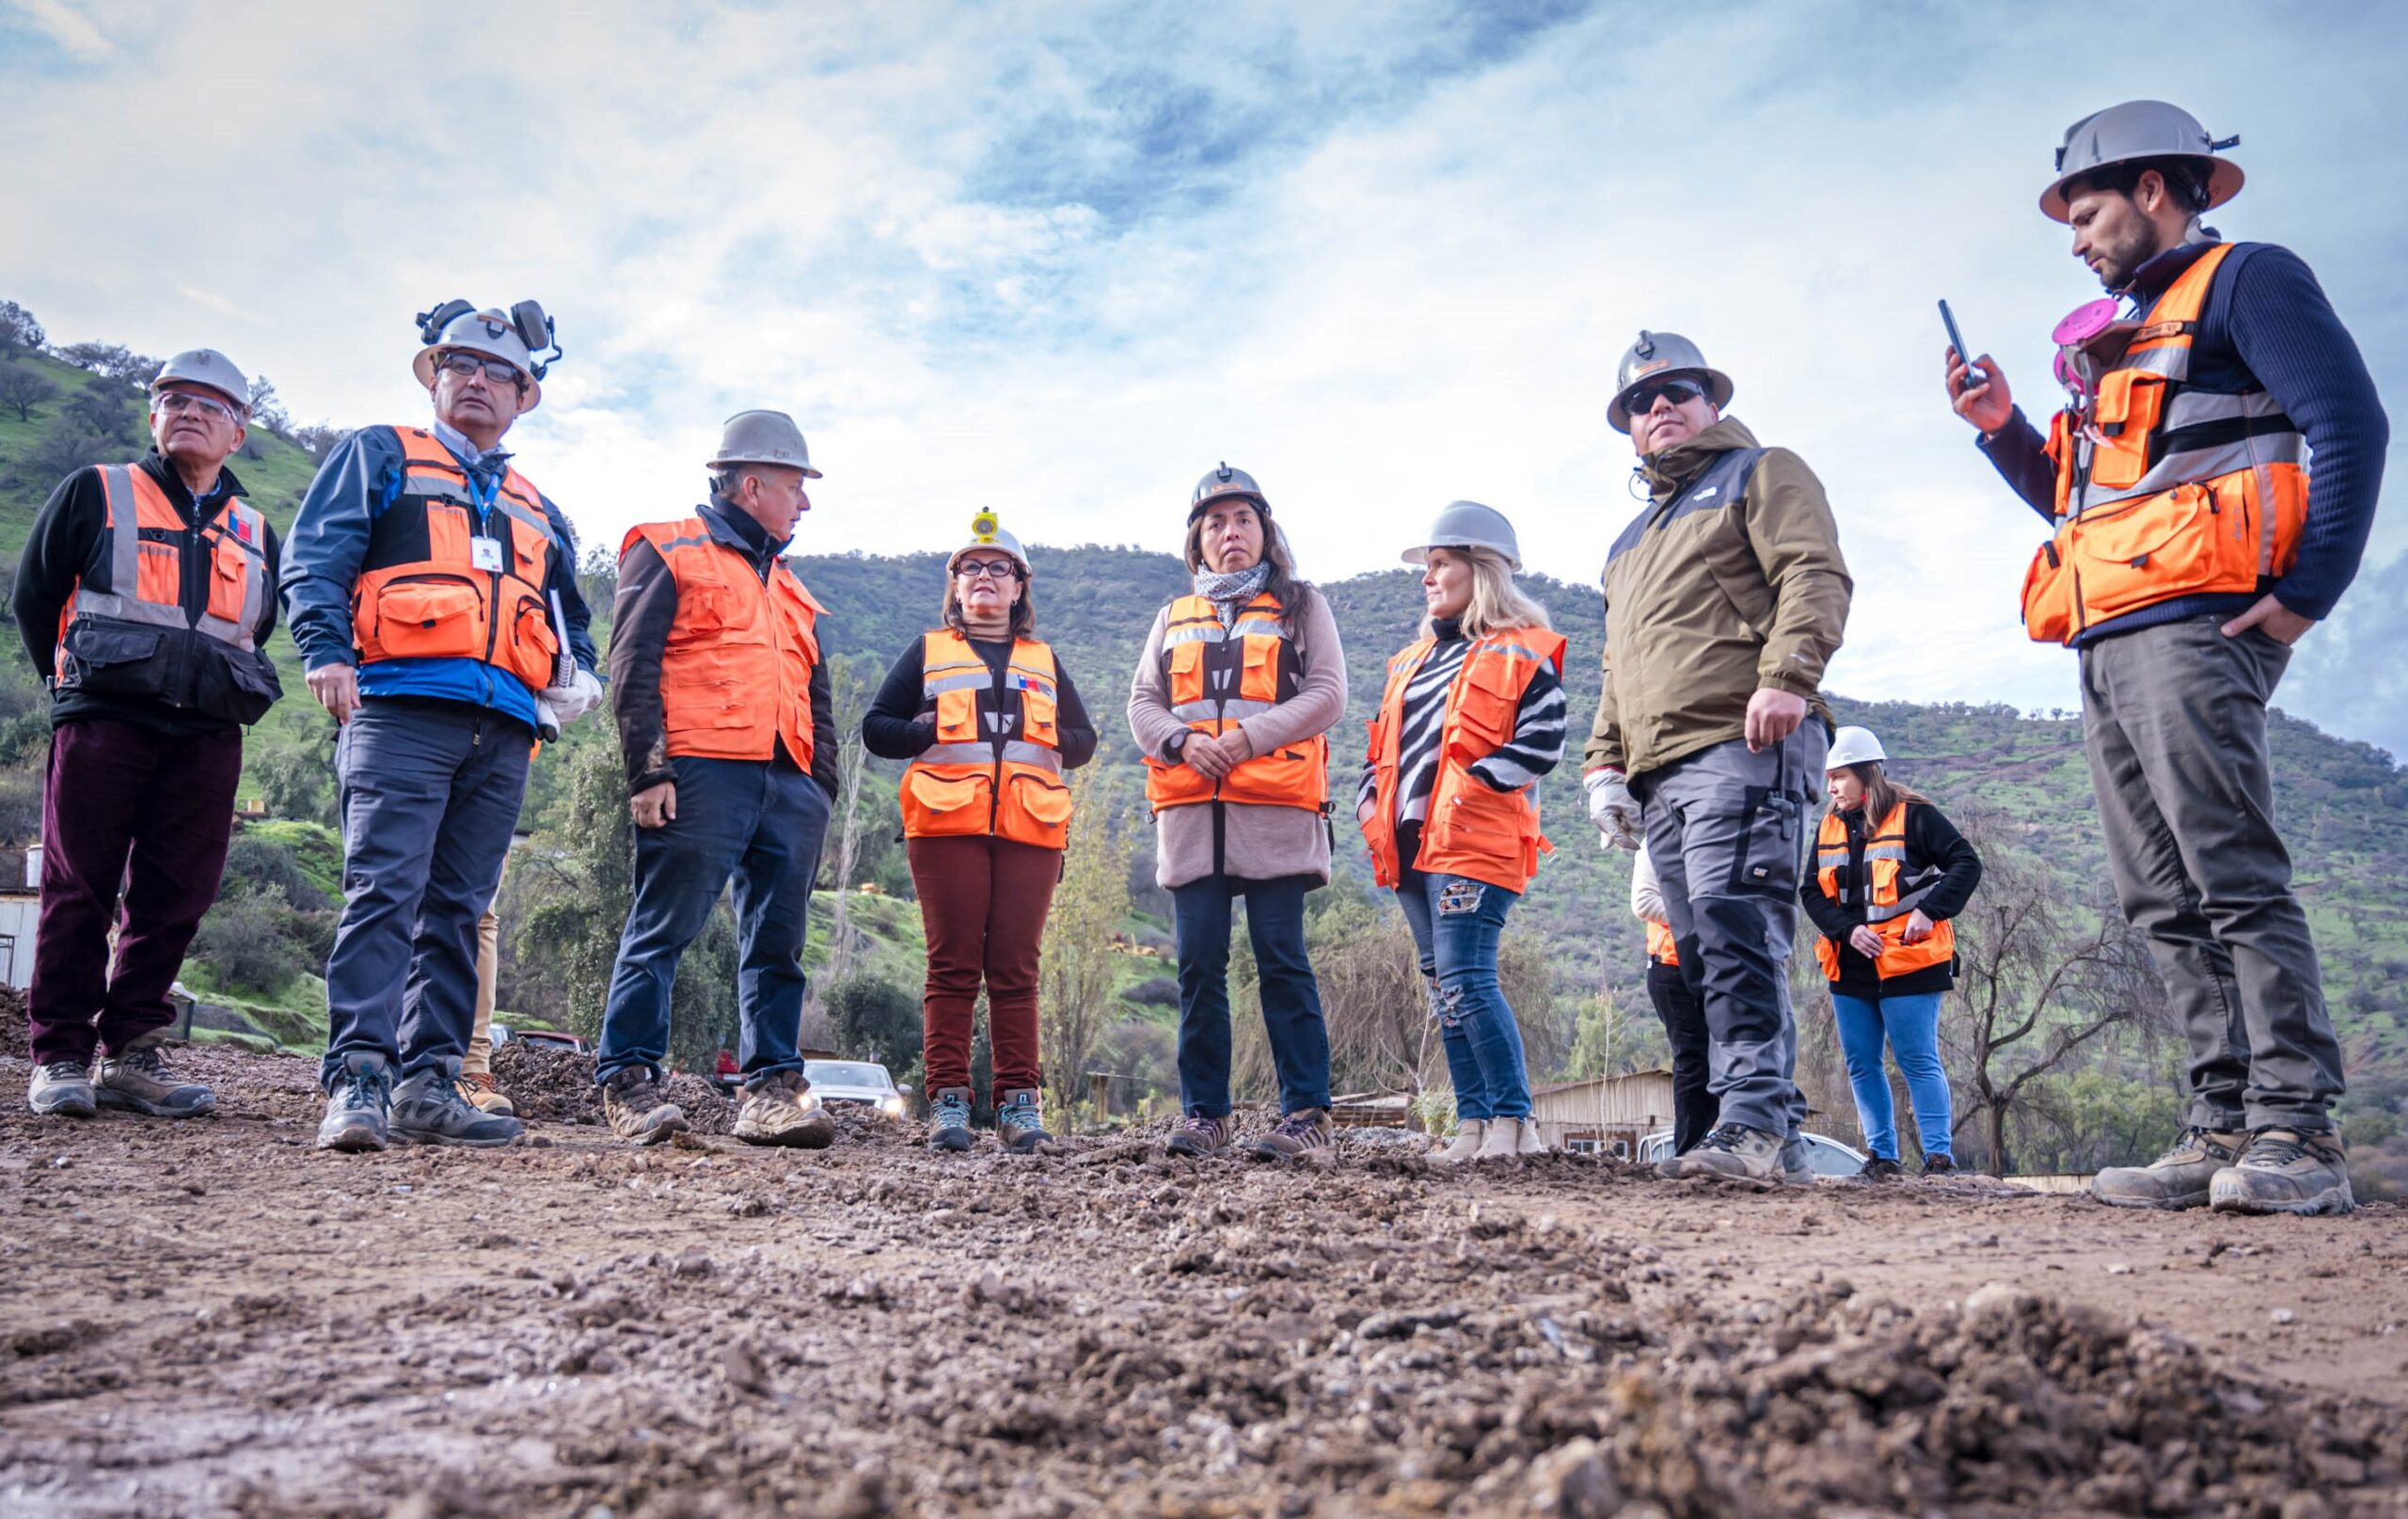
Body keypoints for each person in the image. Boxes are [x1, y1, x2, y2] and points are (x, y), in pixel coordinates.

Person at [1944, 102, 2387, 1216]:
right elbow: (2087, 503)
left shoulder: (2248, 281)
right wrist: (2004, 427)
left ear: (2153, 189)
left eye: (2086, 211)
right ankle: (2221, 1124)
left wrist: (2305, 596)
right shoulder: (2118, 339)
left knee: (2230, 876)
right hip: (2106, 636)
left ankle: (2299, 1133)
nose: (2076, 238)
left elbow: (2349, 422)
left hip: (2200, 628)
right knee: (2159, 896)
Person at [284, 301, 601, 1153]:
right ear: (434, 376)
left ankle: (429, 1082)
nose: (477, 380)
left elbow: (570, 615)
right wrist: (325, 649)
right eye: (458, 364)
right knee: (384, 891)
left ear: (524, 396)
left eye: (498, 372)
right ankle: (358, 1076)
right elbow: (317, 555)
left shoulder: (538, 506)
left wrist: (580, 677)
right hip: (398, 707)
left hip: (503, 724)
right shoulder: (381, 452)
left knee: (458, 910)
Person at [1583, 330, 1851, 1186]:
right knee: (1699, 952)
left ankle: (1753, 1123)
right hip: (1661, 766)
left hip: (1748, 737)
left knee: (1739, 932)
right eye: (1640, 402)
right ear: (1628, 427)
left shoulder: (1764, 471)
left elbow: (1815, 573)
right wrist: (1603, 764)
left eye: (1678, 392)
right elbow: (1617, 666)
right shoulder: (1628, 543)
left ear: (1713, 402)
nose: (1659, 408)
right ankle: (1780, 1135)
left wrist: (1788, 676)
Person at [13, 350, 283, 1119]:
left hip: (206, 733)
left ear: (239, 430)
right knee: (80, 887)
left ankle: (131, 1051)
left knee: (177, 896)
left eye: (210, 403)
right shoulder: (96, 490)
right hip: (104, 719)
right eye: (173, 398)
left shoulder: (257, 528)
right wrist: (68, 687)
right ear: (152, 415)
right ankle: (60, 1053)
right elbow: (36, 596)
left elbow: (255, 628)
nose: (189, 410)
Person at [594, 410, 840, 1148]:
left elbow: (816, 694)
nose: (805, 502)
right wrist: (648, 769)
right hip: (699, 772)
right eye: (797, 485)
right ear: (753, 481)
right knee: (663, 926)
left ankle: (770, 1088)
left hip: (788, 781)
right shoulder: (668, 548)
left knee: (779, 941)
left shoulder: (791, 585)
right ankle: (629, 1080)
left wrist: (819, 784)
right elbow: (631, 666)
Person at [1129, 464, 1346, 1162]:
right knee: (1198, 966)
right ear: (1198, 540)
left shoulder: (1301, 604)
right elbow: (1142, 704)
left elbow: (1329, 693)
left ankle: (1307, 1113)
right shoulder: (1171, 616)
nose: (1230, 532)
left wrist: (1246, 738)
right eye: (1216, 522)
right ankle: (1206, 1115)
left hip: (1275, 814)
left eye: (1242, 520)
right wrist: (1185, 740)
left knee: (1282, 960)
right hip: (1193, 818)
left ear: (1265, 531)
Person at [862, 511, 1098, 1153]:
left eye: (999, 568)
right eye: (972, 567)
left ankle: (1021, 1106)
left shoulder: (1043, 660)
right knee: (953, 965)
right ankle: (949, 1106)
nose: (985, 576)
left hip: (1031, 829)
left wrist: (1035, 727)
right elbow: (877, 726)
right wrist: (926, 728)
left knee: (1016, 967)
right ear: (956, 586)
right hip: (945, 828)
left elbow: (1084, 742)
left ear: (1020, 587)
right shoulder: (929, 650)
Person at [1357, 502, 1566, 1163]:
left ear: (1483, 569)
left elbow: (1545, 738)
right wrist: (1370, 803)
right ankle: (1472, 1126)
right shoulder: (1410, 661)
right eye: (1428, 565)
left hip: (1475, 840)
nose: (1428, 576)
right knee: (1445, 988)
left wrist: (1474, 784)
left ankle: (1515, 1123)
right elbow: (1380, 750)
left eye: (1441, 562)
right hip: (1412, 845)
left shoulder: (1522, 647)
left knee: (1468, 977)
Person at [1798, 727, 1982, 1179]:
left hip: (1910, 962)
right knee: (1861, 1062)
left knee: (1917, 1060)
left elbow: (1966, 863)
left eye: (1839, 776)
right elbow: (1810, 892)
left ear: (1866, 774)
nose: (1832, 787)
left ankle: (1939, 1158)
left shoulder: (1916, 815)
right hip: (1850, 964)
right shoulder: (1830, 825)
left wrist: (1930, 911)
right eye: (1829, 778)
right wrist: (1847, 930)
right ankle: (1882, 1158)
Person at [1630, 842, 1715, 1156]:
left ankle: (1718, 1145)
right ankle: (1689, 1150)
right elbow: (1643, 902)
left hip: (1720, 965)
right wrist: (1705, 918)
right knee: (1695, 1060)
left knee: (1729, 1058)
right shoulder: (1657, 838)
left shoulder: (1721, 830)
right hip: (1673, 966)